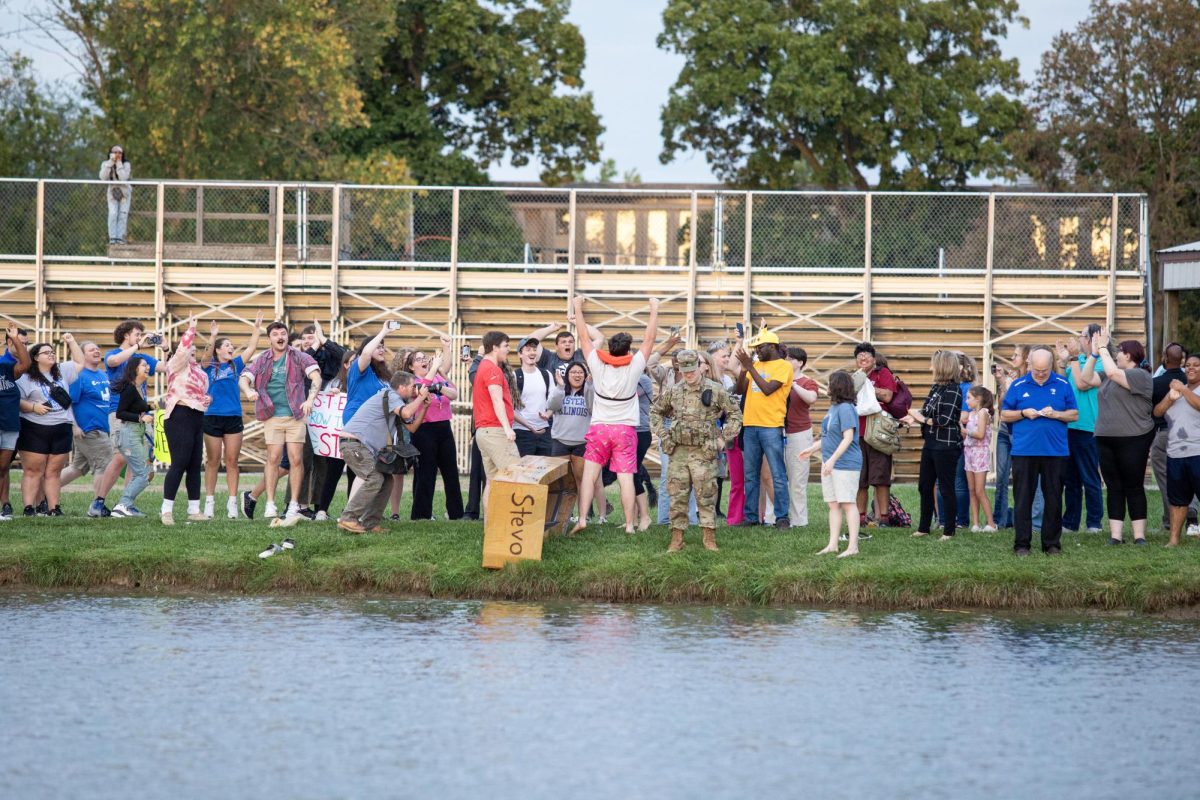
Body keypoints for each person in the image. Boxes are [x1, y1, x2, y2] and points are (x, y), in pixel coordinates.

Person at [569, 295, 660, 535]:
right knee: (626, 478)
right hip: (625, 429)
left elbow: (583, 336)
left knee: (589, 476)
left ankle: (582, 520)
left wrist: (577, 307)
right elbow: (650, 339)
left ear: (609, 349)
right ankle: (630, 525)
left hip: (599, 428)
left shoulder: (597, 366)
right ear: (628, 350)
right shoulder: (634, 367)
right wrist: (654, 310)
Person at [650, 349, 742, 552]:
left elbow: (735, 414)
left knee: (706, 495)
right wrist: (664, 437)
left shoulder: (715, 389)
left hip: (704, 451)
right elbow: (656, 411)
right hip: (679, 451)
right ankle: (676, 539)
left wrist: (723, 438)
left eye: (692, 370)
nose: (689, 375)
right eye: (685, 371)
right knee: (678, 495)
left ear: (700, 368)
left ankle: (709, 538)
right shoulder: (675, 391)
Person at [239, 321, 321, 523]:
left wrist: (310, 399)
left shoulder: (300, 356)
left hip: (296, 414)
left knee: (295, 459)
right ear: (270, 339)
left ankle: (294, 504)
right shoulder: (262, 359)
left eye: (283, 333)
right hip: (272, 414)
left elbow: (316, 377)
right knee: (273, 458)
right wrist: (249, 391)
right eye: (275, 334)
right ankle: (270, 503)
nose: (280, 337)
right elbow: (243, 378)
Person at [1001, 347, 1078, 556]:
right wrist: (1023, 412)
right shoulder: (1018, 385)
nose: (1041, 374)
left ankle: (1051, 543)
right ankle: (1022, 544)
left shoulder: (1062, 384)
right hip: (1024, 450)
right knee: (1023, 498)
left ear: (1051, 365)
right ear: (1029, 365)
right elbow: (1004, 414)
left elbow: (1074, 415)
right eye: (1037, 370)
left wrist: (1056, 414)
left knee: (1053, 497)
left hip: (1055, 451)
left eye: (1044, 370)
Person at [1082, 329, 1154, 545]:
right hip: (1105, 437)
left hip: (1133, 438)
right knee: (1113, 486)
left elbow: (1114, 373)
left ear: (1130, 355)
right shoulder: (1108, 376)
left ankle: (1139, 536)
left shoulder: (1140, 376)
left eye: (1120, 352)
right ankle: (1116, 536)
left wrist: (1104, 347)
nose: (1117, 355)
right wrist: (1094, 354)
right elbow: (1086, 378)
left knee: (1133, 485)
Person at [336, 372, 427, 534]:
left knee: (386, 481)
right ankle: (348, 518)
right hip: (354, 444)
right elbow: (407, 413)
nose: (415, 390)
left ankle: (371, 523)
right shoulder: (391, 395)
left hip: (359, 446)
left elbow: (411, 427)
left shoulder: (396, 402)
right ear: (401, 387)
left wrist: (425, 406)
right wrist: (420, 399)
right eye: (413, 386)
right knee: (375, 477)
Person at [201, 313, 262, 519]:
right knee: (212, 461)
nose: (230, 347)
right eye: (226, 345)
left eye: (231, 345)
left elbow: (251, 349)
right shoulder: (209, 366)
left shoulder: (235, 364)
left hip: (233, 416)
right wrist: (213, 336)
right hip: (212, 416)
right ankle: (209, 502)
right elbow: (205, 357)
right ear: (218, 349)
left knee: (232, 461)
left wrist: (256, 328)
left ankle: (233, 503)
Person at [797, 370, 861, 556]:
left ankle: (853, 547)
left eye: (831, 383)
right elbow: (829, 437)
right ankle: (832, 544)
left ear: (837, 386)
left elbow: (848, 437)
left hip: (845, 464)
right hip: (830, 463)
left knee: (848, 503)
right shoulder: (834, 409)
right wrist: (811, 448)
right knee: (833, 504)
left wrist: (832, 460)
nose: (828, 386)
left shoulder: (847, 409)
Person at [734, 328, 792, 528]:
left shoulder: (784, 367)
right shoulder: (755, 365)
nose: (757, 350)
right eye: (755, 347)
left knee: (777, 473)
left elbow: (768, 390)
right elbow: (740, 390)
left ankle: (782, 517)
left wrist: (750, 367)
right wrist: (744, 369)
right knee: (750, 474)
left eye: (760, 347)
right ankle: (751, 517)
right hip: (750, 425)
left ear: (772, 347)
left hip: (771, 426)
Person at [16, 339, 80, 516]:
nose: (51, 354)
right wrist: (33, 407)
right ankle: (29, 507)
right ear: (35, 357)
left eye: (52, 351)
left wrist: (72, 342)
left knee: (54, 471)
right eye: (46, 352)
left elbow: (80, 361)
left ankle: (54, 507)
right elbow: (17, 400)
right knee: (33, 470)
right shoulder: (25, 377)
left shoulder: (62, 371)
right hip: (34, 427)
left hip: (61, 427)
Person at [905, 351, 965, 541]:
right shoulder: (936, 388)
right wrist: (911, 417)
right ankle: (924, 527)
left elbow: (945, 419)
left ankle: (949, 529)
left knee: (946, 488)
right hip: (931, 443)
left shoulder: (954, 390)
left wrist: (921, 417)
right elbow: (927, 410)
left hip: (946, 446)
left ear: (942, 366)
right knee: (924, 486)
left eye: (933, 364)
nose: (930, 368)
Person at [60, 338, 120, 517]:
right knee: (105, 464)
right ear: (82, 354)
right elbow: (68, 403)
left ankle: (44, 492)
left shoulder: (103, 375)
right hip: (88, 429)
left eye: (98, 348)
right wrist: (74, 426)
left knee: (76, 468)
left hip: (103, 428)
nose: (97, 351)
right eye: (91, 350)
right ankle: (97, 506)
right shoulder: (79, 375)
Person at [404, 339, 463, 521]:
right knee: (426, 473)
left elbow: (453, 393)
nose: (424, 360)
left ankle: (456, 513)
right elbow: (421, 391)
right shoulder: (412, 381)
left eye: (425, 357)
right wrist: (434, 378)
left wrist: (441, 375)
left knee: (450, 471)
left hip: (444, 427)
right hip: (424, 430)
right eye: (419, 358)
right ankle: (422, 515)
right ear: (411, 366)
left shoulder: (436, 376)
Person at [160, 319, 212, 525]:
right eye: (190, 347)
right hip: (179, 415)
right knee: (179, 463)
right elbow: (181, 349)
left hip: (197, 416)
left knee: (193, 464)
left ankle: (193, 509)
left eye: (194, 348)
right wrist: (191, 329)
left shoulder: (198, 370)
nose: (192, 350)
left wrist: (207, 399)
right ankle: (166, 510)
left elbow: (202, 393)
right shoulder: (175, 364)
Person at [1058, 325, 1105, 534]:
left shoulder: (1101, 361)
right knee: (1071, 479)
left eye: (1082, 335)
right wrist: (1062, 361)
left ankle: (1094, 522)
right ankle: (1070, 522)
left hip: (1088, 427)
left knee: (1090, 477)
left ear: (1093, 338)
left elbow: (1081, 384)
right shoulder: (1078, 362)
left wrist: (1074, 358)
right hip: (1069, 426)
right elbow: (1063, 383)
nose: (1079, 338)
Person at [474, 331, 520, 518]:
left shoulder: (482, 367)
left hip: (484, 432)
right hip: (495, 431)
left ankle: (492, 529)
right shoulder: (492, 369)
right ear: (494, 347)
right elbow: (496, 399)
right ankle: (510, 527)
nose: (508, 350)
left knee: (493, 481)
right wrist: (507, 428)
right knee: (515, 477)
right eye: (506, 346)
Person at [1155, 353, 1200, 547]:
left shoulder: (1187, 389)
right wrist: (1170, 399)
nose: (1190, 368)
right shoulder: (1177, 390)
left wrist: (1183, 389)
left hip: (1198, 451)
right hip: (1175, 453)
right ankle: (1173, 539)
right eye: (1188, 365)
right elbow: (1157, 412)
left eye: (1196, 365)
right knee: (1177, 500)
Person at [547, 361, 601, 522]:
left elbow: (593, 407)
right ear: (567, 375)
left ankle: (583, 515)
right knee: (558, 480)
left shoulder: (590, 390)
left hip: (581, 442)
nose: (577, 375)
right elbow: (552, 405)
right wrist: (559, 387)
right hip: (560, 441)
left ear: (585, 376)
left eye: (580, 373)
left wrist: (590, 386)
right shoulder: (560, 390)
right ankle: (558, 515)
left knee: (581, 480)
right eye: (573, 372)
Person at [853, 342, 898, 527]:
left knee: (881, 478)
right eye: (859, 356)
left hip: (879, 432)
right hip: (859, 432)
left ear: (874, 358)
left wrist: (870, 388)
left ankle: (884, 518)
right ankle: (860, 517)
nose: (863, 358)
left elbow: (888, 396)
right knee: (860, 479)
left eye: (866, 355)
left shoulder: (883, 374)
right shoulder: (855, 376)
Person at [1149, 342, 1191, 531]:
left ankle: (1169, 521)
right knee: (1191, 476)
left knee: (1165, 479)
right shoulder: (1189, 382)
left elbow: (1152, 412)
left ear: (1165, 359)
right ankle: (1192, 517)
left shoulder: (1156, 382)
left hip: (1164, 434)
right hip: (1190, 435)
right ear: (1182, 359)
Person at [992, 344, 1031, 529]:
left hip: (1020, 432)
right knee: (1001, 476)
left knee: (1020, 477)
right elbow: (1002, 408)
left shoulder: (1029, 380)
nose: (1012, 358)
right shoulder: (1011, 378)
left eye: (1016, 355)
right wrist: (1002, 383)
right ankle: (999, 519)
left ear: (1026, 358)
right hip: (1004, 430)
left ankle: (1019, 518)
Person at [110, 356, 154, 518]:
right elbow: (121, 412)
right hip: (129, 434)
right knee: (144, 473)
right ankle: (123, 505)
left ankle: (126, 505)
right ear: (135, 369)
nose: (148, 367)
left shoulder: (139, 388)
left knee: (143, 472)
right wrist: (140, 418)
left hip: (136, 433)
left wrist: (152, 407)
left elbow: (136, 406)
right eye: (144, 365)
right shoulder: (129, 388)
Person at [784, 346, 819, 528]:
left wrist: (794, 384)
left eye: (790, 359)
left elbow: (811, 398)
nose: (787, 361)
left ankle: (799, 519)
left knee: (798, 478)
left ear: (800, 363)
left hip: (799, 433)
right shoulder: (779, 379)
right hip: (778, 432)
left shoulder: (807, 382)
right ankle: (774, 517)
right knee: (776, 477)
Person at [0, 325, 31, 521]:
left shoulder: (5, 367)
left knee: (2, 469)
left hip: (10, 424)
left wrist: (16, 339)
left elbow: (26, 364)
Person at [512, 336, 555, 457]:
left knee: (544, 471)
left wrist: (549, 414)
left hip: (544, 432)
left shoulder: (546, 374)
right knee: (524, 471)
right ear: (520, 354)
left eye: (534, 349)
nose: (532, 352)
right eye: (528, 349)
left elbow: (553, 401)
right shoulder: (514, 376)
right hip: (522, 432)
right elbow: (509, 408)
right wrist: (529, 426)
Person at [962, 385, 996, 531]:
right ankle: (975, 523)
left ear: (978, 399)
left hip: (980, 453)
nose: (966, 400)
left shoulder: (983, 413)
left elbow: (980, 434)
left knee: (979, 490)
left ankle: (991, 523)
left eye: (969, 397)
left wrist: (965, 431)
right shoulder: (970, 415)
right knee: (971, 489)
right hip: (968, 452)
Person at [100, 145, 131, 244]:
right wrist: (110, 163)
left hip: (124, 193)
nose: (118, 154)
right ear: (111, 153)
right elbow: (103, 177)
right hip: (112, 193)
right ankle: (113, 238)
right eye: (115, 152)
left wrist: (118, 164)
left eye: (120, 152)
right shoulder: (105, 163)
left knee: (122, 214)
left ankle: (120, 238)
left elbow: (123, 178)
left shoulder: (126, 165)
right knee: (113, 213)